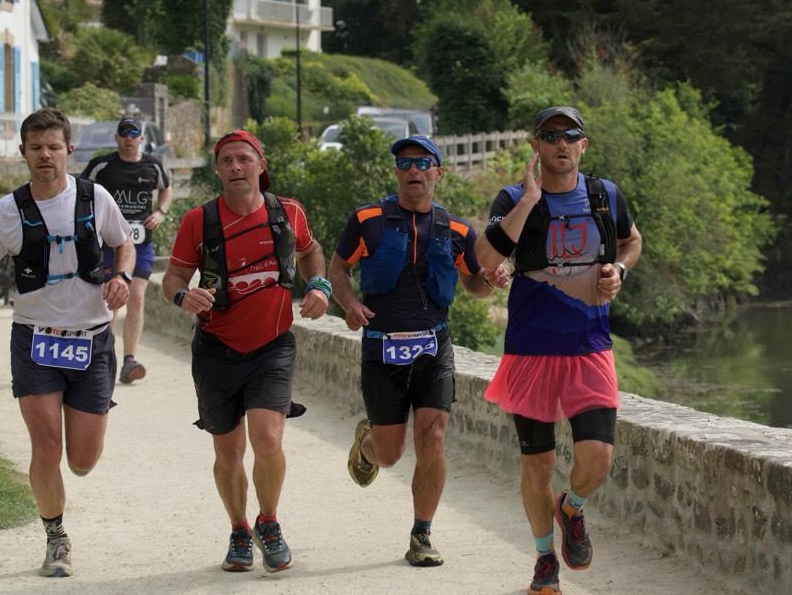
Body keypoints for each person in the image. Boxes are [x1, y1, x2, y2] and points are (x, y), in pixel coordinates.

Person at [474, 106, 643, 595]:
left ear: (583, 145)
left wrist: (619, 271)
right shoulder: (512, 199)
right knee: (537, 465)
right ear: (537, 146)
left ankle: (571, 508)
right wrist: (530, 200)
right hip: (530, 351)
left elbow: (632, 242)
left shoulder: (605, 196)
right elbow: (484, 258)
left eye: (571, 135)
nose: (561, 143)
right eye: (550, 136)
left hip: (590, 347)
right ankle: (544, 559)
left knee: (599, 458)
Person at [0, 108, 133, 578]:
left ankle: (82, 448)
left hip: (92, 340)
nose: (45, 155)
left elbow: (124, 243)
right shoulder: (6, 211)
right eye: (36, 147)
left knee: (82, 460)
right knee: (45, 447)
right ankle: (56, 539)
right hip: (34, 339)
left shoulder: (95, 198)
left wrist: (121, 276)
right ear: (23, 152)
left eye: (53, 147)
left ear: (68, 150)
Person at [328, 134, 508, 568]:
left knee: (433, 435)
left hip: (434, 348)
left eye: (423, 163)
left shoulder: (457, 229)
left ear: (438, 173)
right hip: (382, 348)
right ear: (396, 172)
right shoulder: (367, 220)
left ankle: (421, 534)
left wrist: (491, 278)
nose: (414, 170)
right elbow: (338, 269)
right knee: (390, 454)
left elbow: (474, 284)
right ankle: (367, 445)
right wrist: (349, 304)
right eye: (405, 163)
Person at [161, 130, 330, 574]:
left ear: (261, 165)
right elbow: (173, 278)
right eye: (227, 161)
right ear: (218, 170)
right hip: (216, 349)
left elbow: (311, 251)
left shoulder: (288, 212)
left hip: (272, 346)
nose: (236, 167)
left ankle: (268, 522)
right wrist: (183, 296)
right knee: (228, 452)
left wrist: (320, 285)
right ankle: (239, 529)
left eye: (244, 158)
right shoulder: (198, 221)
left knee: (268, 439)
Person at [79, 116, 172, 384]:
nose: (129, 138)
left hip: (140, 244)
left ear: (141, 138)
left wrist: (160, 212)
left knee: (137, 297)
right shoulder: (102, 165)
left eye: (134, 133)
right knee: (112, 298)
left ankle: (129, 360)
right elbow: (81, 190)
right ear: (117, 137)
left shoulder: (153, 165)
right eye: (124, 132)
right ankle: (102, 357)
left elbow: (166, 189)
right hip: (110, 245)